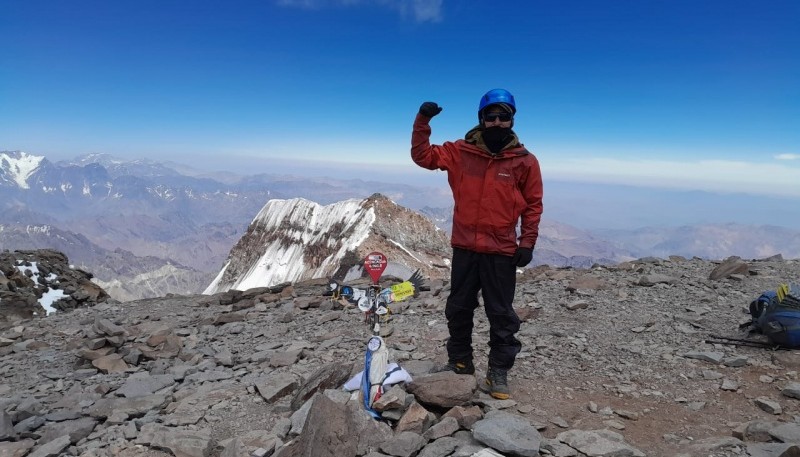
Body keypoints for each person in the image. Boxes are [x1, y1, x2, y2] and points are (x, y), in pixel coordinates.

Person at [410, 88, 543, 399]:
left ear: (512, 120)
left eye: (503, 116)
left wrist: (528, 242)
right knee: (458, 308)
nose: (497, 122)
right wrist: (423, 120)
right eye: (491, 116)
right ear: (481, 119)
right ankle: (459, 362)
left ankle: (498, 372)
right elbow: (423, 156)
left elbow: (533, 204)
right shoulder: (460, 152)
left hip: (501, 250)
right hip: (465, 247)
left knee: (501, 314)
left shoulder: (525, 161)